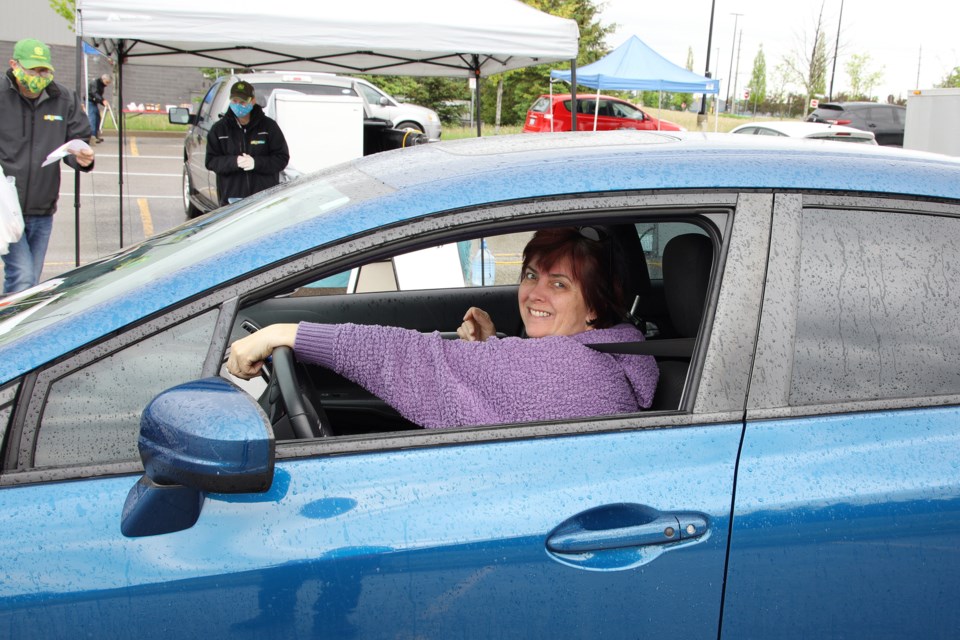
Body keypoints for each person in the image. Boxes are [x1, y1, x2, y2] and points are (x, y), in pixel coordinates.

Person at [228, 227, 659, 429]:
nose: (534, 293)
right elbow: (532, 377)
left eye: (559, 284)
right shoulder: (608, 355)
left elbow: (414, 359)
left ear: (594, 309)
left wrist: (284, 334)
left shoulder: (575, 368)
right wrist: (492, 347)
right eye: (530, 275)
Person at [1, 38, 94, 295]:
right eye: (33, 70)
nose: (39, 76)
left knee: (30, 282)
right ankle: (15, 333)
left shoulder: (63, 98)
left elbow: (77, 141)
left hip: (43, 207)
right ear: (14, 65)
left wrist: (82, 157)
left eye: (44, 70)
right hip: (7, 208)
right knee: (22, 277)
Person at [205, 80, 289, 207]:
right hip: (231, 199)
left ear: (252, 101)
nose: (238, 105)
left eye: (243, 102)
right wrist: (234, 162)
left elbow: (281, 158)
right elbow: (211, 161)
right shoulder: (219, 129)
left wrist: (256, 163)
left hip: (264, 198)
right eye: (235, 101)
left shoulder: (268, 127)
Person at [86, 73, 111, 143]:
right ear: (103, 79)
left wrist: (102, 102)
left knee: (97, 118)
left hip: (94, 102)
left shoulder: (100, 85)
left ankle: (95, 135)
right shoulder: (95, 83)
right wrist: (103, 101)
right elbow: (95, 93)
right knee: (92, 118)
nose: (107, 84)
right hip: (90, 101)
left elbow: (97, 96)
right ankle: (92, 136)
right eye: (107, 82)